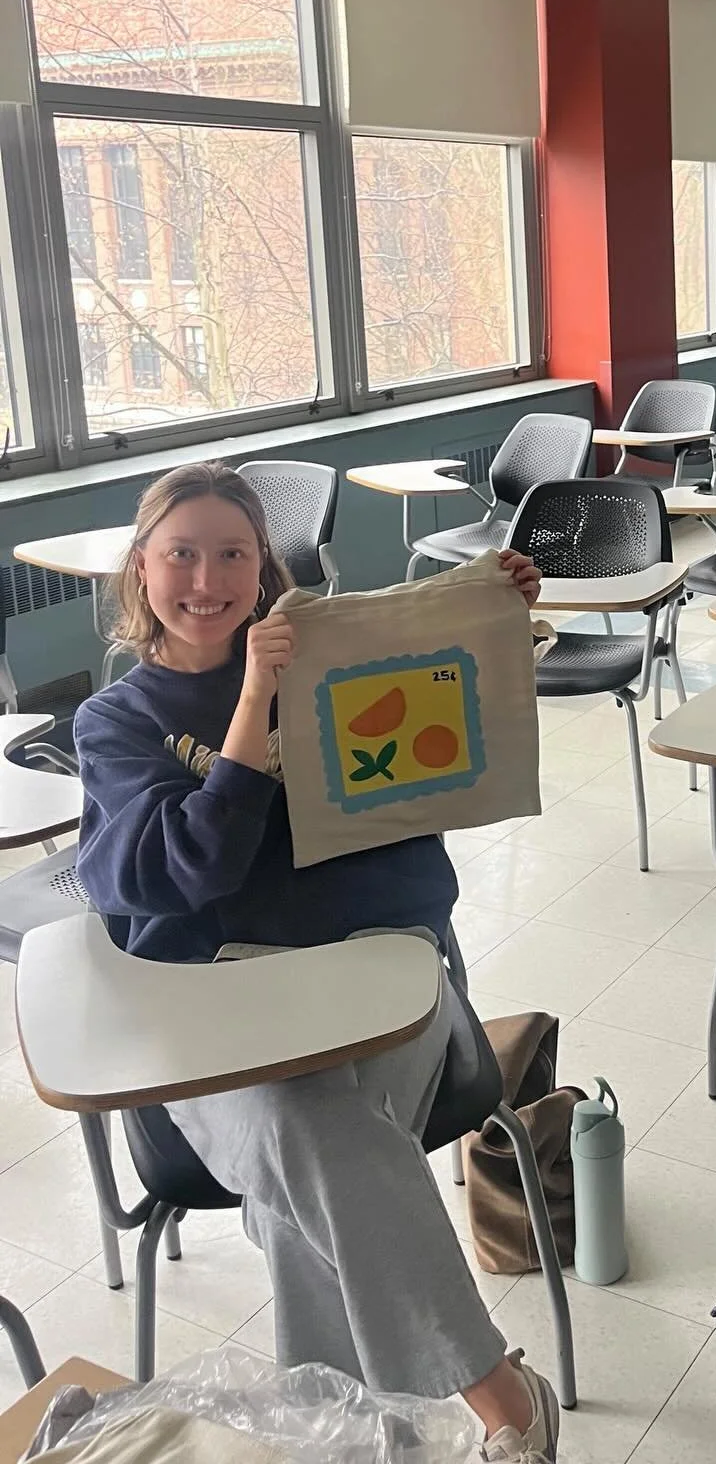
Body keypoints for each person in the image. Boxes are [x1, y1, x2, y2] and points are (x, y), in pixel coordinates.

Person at [73, 461, 560, 1464]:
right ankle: (500, 1396)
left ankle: (354, 1444)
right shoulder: (114, 724)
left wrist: (484, 617)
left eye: (233, 555)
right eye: (181, 553)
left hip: (374, 976)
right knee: (317, 1134)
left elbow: (440, 768)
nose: (205, 579)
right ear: (140, 569)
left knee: (314, 1161)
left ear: (265, 569)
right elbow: (185, 871)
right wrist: (257, 700)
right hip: (216, 1013)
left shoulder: (337, 657)